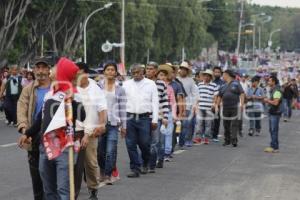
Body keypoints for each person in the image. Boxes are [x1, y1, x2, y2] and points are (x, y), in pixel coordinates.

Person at [19, 57, 86, 200]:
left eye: (56, 67)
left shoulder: (71, 93)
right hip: (46, 148)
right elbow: (40, 120)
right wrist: (28, 133)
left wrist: (72, 100)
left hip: (63, 149)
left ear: (61, 73)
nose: (52, 69)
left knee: (63, 190)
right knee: (48, 190)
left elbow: (82, 116)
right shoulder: (50, 94)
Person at [17, 57, 51, 200]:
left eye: (44, 67)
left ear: (49, 70)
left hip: (54, 136)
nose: (41, 71)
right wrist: (25, 129)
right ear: (34, 70)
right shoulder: (28, 89)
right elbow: (21, 108)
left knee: (51, 177)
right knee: (37, 177)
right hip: (34, 135)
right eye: (38, 68)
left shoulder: (57, 87)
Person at [76, 62, 107, 200]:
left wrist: (101, 124)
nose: (77, 75)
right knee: (73, 163)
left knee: (90, 163)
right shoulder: (70, 87)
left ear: (86, 74)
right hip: (74, 131)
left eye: (80, 73)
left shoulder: (95, 89)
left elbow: (102, 109)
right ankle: (72, 192)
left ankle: (93, 189)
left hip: (91, 131)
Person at [123, 64, 159, 178]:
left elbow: (155, 102)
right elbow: (121, 102)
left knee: (145, 143)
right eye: (133, 73)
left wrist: (155, 119)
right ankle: (135, 168)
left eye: (138, 72)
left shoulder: (150, 84)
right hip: (129, 117)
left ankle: (145, 162)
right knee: (130, 144)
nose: (136, 75)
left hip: (145, 118)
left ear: (143, 72)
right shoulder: (126, 84)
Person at [97, 61, 126, 184]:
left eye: (112, 70)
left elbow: (123, 108)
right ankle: (103, 171)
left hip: (113, 124)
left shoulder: (120, 89)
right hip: (99, 123)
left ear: (116, 72)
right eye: (108, 69)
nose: (110, 72)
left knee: (110, 150)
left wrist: (124, 126)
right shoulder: (98, 86)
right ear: (104, 72)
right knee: (100, 151)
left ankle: (108, 175)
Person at [145, 61, 169, 172]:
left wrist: (165, 117)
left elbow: (164, 102)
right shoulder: (142, 82)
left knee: (155, 142)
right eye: (147, 68)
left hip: (157, 117)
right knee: (143, 141)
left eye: (151, 69)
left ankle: (152, 164)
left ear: (155, 71)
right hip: (143, 116)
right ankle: (143, 163)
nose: (148, 71)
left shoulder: (161, 84)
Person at [217, 69, 245, 147]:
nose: (223, 76)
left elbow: (242, 94)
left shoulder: (236, 83)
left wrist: (242, 104)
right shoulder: (223, 85)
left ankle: (234, 139)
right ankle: (227, 140)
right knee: (226, 124)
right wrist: (217, 105)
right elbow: (219, 96)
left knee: (234, 124)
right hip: (225, 107)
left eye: (223, 74)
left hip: (235, 107)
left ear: (227, 75)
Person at [157, 64, 177, 162]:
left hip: (167, 112)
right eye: (160, 75)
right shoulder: (153, 86)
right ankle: (157, 153)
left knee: (168, 133)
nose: (162, 77)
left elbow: (173, 102)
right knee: (157, 135)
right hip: (156, 113)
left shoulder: (170, 88)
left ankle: (167, 152)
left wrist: (173, 115)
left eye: (164, 75)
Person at [177, 61, 199, 147]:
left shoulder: (191, 81)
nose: (183, 71)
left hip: (187, 106)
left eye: (185, 69)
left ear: (187, 71)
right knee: (177, 125)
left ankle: (184, 140)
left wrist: (194, 106)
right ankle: (176, 140)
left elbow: (195, 94)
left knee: (185, 125)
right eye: (181, 69)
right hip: (177, 105)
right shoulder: (176, 79)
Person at [195, 69, 219, 144]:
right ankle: (198, 137)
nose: (206, 77)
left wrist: (214, 104)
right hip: (200, 107)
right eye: (205, 75)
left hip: (209, 107)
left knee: (208, 124)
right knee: (199, 123)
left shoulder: (214, 85)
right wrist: (196, 105)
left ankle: (206, 138)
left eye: (208, 76)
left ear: (211, 77)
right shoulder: (199, 84)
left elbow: (215, 96)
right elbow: (197, 95)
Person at [263, 75, 282, 153]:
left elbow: (276, 102)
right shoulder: (273, 89)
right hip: (272, 112)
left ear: (273, 82)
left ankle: (275, 147)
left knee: (274, 130)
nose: (268, 82)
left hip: (275, 112)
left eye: (269, 81)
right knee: (272, 130)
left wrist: (267, 101)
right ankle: (273, 146)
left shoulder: (277, 90)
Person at [211, 66, 225, 142]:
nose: (217, 73)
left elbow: (224, 94)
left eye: (218, 72)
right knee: (208, 119)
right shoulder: (210, 81)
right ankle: (207, 133)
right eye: (215, 72)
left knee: (217, 120)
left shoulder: (223, 83)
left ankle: (215, 135)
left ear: (221, 73)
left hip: (219, 104)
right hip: (209, 103)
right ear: (213, 72)